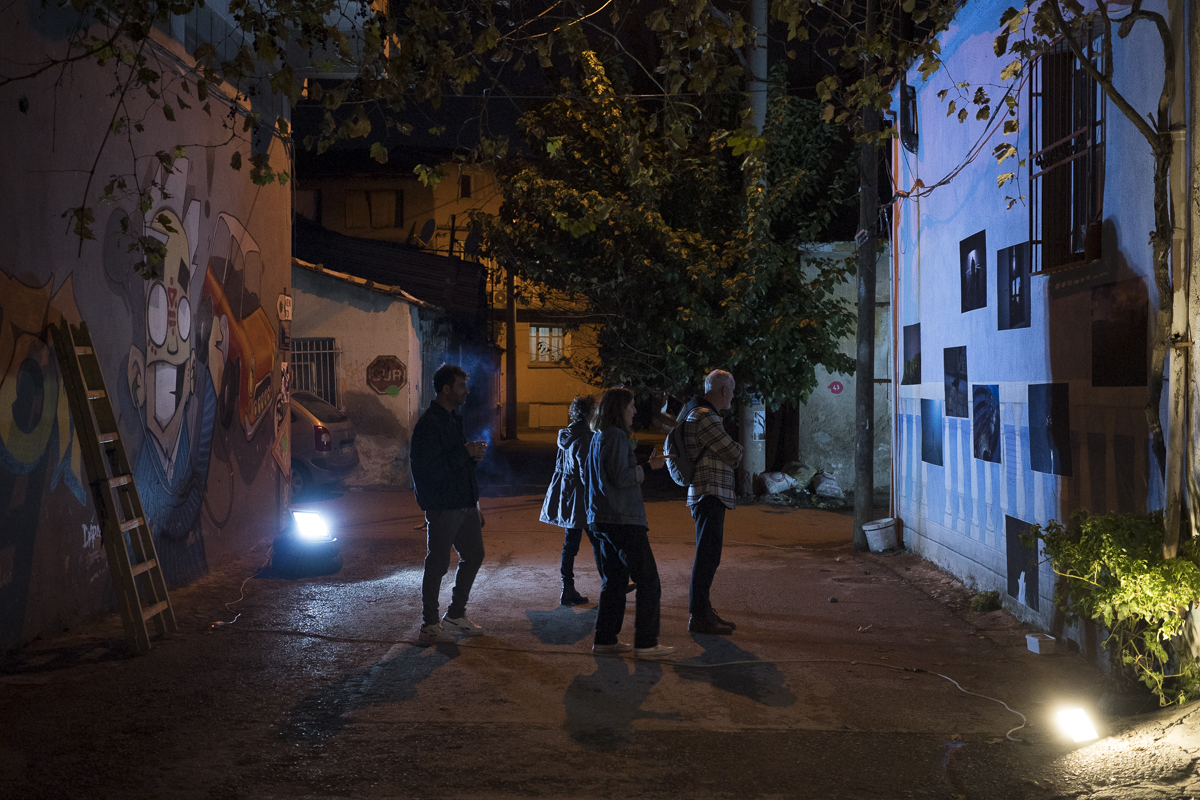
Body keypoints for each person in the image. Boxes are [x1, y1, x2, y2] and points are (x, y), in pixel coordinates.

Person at [585, 387, 674, 659]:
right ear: (619, 409)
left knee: (614, 581)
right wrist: (648, 467)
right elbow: (621, 477)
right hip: (622, 519)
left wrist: (644, 465)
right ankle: (646, 643)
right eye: (631, 406)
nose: (635, 411)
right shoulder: (616, 436)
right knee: (648, 580)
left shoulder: (599, 436)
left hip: (602, 518)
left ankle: (605, 639)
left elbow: (601, 476)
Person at [409, 364, 488, 645]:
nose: (466, 391)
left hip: (463, 503)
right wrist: (465, 453)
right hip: (444, 505)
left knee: (474, 555)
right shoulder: (430, 424)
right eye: (461, 386)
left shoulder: (451, 419)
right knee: (438, 564)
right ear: (445, 389)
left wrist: (474, 500)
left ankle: (455, 615)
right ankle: (430, 625)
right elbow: (428, 470)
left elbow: (457, 463)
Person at [679, 370, 744, 635]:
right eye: (732, 391)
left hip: (706, 492)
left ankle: (704, 611)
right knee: (707, 556)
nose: (733, 396)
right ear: (724, 391)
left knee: (709, 554)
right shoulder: (705, 416)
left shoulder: (697, 412)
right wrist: (737, 451)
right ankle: (699, 616)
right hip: (709, 491)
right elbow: (733, 452)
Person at [540, 394, 604, 606]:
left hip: (568, 498)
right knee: (598, 540)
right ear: (588, 412)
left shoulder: (567, 434)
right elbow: (587, 474)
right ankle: (611, 583)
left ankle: (567, 589)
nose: (597, 413)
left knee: (572, 544)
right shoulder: (584, 437)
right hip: (582, 500)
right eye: (594, 409)